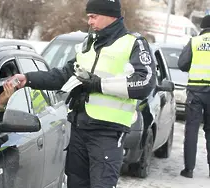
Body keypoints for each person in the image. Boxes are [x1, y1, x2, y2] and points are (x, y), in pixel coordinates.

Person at [8, 0, 156, 187]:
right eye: (89, 17)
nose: (90, 22)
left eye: (93, 16)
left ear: (110, 15)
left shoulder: (134, 43)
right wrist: (28, 79)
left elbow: (145, 83)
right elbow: (62, 75)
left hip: (107, 133)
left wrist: (99, 85)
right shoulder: (90, 43)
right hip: (80, 127)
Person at [178, 14, 210, 178]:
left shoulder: (195, 42)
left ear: (202, 27)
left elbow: (182, 64)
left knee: (191, 130)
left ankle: (188, 170)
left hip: (196, 91)